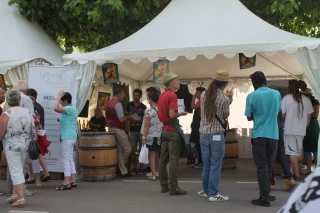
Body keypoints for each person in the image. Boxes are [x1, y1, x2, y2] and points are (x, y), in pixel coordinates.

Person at [245, 71, 281, 207]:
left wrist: (258, 114)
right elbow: (279, 112)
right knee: (269, 166)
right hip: (273, 134)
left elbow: (248, 116)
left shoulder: (252, 96)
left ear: (254, 83)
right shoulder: (276, 94)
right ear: (265, 81)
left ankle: (264, 197)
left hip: (259, 134)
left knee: (262, 167)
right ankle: (267, 193)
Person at [196, 69, 232, 202]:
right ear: (225, 84)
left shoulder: (203, 94)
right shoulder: (224, 98)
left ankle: (206, 191)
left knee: (206, 164)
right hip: (216, 134)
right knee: (216, 164)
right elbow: (225, 115)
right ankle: (213, 193)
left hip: (203, 133)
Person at [0, 89, 36, 207]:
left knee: (15, 171)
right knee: (19, 169)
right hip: (25, 144)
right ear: (20, 99)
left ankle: (20, 198)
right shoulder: (27, 112)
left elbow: (1, 133)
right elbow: (32, 129)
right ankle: (16, 194)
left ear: (7, 100)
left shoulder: (6, 114)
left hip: (12, 145)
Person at [158, 72, 188, 195]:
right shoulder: (172, 95)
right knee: (173, 160)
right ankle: (174, 187)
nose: (179, 82)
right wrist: (181, 113)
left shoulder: (162, 95)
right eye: (177, 80)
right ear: (171, 82)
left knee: (162, 159)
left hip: (164, 130)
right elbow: (171, 115)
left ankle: (164, 186)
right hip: (172, 130)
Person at [282, 80, 313, 180]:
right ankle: (291, 172)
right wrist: (303, 127)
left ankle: (296, 174)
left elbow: (283, 114)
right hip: (301, 131)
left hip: (290, 129)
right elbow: (309, 117)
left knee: (292, 153)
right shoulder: (307, 100)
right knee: (295, 153)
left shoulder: (286, 98)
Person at [25, 88, 51, 187]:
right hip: (33, 137)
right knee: (35, 157)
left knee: (35, 158)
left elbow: (38, 125)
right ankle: (37, 177)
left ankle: (36, 178)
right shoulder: (33, 110)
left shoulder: (33, 111)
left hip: (32, 137)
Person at [106, 87, 132, 177]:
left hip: (110, 128)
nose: (124, 96)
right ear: (120, 94)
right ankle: (120, 165)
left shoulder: (108, 103)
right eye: (123, 94)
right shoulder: (118, 104)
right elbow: (121, 119)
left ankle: (123, 170)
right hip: (118, 128)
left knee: (119, 150)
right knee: (128, 149)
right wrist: (128, 117)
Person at [54, 91, 78, 190]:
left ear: (66, 101)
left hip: (67, 137)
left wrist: (58, 96)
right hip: (70, 136)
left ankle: (66, 182)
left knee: (65, 159)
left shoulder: (69, 108)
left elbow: (55, 108)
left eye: (61, 101)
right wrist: (60, 119)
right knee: (69, 159)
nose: (60, 103)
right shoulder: (69, 110)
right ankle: (72, 180)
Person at [141, 87, 163, 180]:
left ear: (150, 99)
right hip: (161, 133)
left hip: (151, 135)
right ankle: (161, 172)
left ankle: (153, 173)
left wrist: (143, 137)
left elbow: (146, 126)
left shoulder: (148, 111)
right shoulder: (162, 109)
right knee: (161, 154)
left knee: (152, 155)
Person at [270, 114, 296, 191]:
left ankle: (271, 183)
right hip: (280, 128)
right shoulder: (283, 102)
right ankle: (289, 178)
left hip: (270, 128)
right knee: (279, 154)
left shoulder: (274, 101)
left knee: (269, 156)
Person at [125, 89, 146, 174]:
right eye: (134, 95)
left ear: (140, 96)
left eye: (137, 95)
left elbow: (146, 119)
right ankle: (136, 165)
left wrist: (138, 121)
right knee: (132, 150)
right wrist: (130, 118)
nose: (135, 97)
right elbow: (125, 114)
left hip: (141, 130)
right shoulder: (129, 105)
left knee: (142, 150)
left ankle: (140, 168)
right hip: (132, 130)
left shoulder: (143, 107)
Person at [301, 88, 319, 174]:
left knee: (315, 148)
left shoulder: (315, 102)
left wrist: (308, 110)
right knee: (307, 148)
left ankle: (317, 168)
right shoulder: (303, 102)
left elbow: (315, 115)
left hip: (313, 125)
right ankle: (308, 168)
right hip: (305, 125)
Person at [190, 87, 206, 169]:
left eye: (197, 92)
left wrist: (193, 98)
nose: (195, 93)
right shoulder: (201, 101)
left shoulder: (202, 101)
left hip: (200, 126)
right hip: (197, 125)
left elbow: (192, 106)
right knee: (197, 144)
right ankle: (200, 161)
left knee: (199, 144)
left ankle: (202, 162)